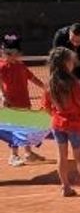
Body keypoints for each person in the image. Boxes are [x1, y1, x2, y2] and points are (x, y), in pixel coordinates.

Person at [43, 47, 80, 196]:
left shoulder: (49, 83)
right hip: (74, 124)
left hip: (57, 124)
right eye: (70, 60)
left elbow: (46, 107)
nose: (73, 63)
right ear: (65, 63)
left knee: (62, 156)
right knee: (79, 157)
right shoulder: (73, 82)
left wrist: (56, 115)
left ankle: (65, 187)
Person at [1, 34, 47, 166]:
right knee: (15, 130)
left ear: (19, 53)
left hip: (25, 103)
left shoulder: (21, 66)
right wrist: (3, 96)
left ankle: (28, 154)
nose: (8, 56)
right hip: (11, 104)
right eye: (6, 53)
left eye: (11, 53)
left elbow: (32, 79)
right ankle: (13, 156)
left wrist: (45, 87)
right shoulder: (2, 66)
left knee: (26, 129)